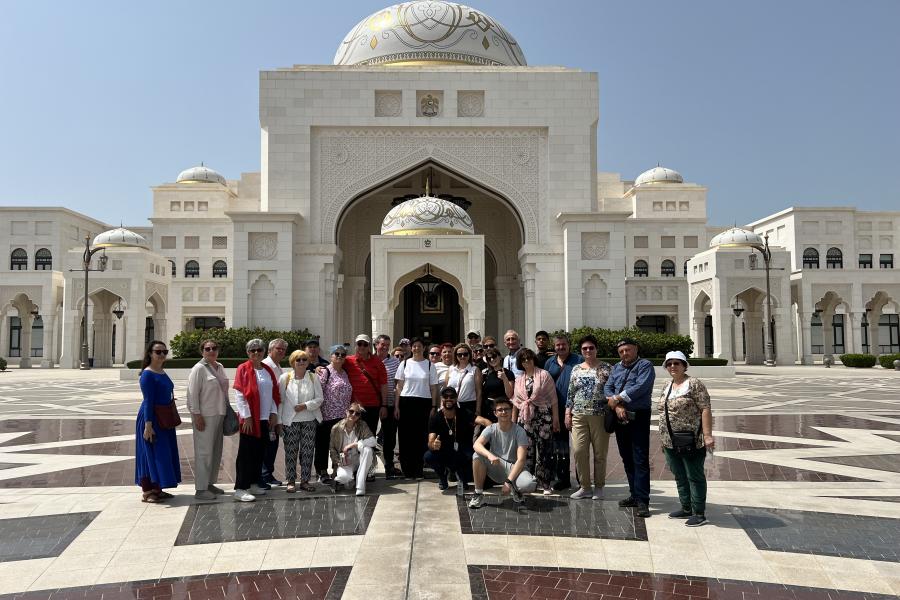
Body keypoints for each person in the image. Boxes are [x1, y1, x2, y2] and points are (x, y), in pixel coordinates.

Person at [659, 351, 714, 527]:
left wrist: (707, 435)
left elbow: (705, 408)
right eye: (669, 364)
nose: (672, 366)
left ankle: (699, 513)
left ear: (684, 366)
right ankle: (686, 507)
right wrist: (663, 440)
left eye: (677, 363)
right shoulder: (667, 385)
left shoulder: (694, 384)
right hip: (670, 440)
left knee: (694, 476)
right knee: (679, 475)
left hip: (691, 439)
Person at [604, 338, 656, 518]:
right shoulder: (616, 368)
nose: (625, 353)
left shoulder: (645, 365)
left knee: (640, 458)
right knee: (626, 457)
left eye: (628, 350)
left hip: (638, 416)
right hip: (620, 416)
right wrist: (617, 406)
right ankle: (634, 494)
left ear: (636, 349)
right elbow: (608, 387)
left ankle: (643, 500)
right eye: (621, 351)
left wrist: (617, 399)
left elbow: (641, 387)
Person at [233, 338, 281, 502]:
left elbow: (273, 394)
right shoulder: (243, 368)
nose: (256, 353)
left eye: (259, 350)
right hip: (250, 420)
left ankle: (253, 483)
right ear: (248, 353)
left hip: (264, 419)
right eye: (252, 350)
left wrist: (273, 413)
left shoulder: (267, 370)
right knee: (245, 454)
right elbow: (239, 394)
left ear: (264, 352)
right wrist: (246, 416)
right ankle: (241, 488)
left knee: (259, 453)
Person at [565, 335, 612, 500]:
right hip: (579, 415)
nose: (588, 350)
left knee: (600, 453)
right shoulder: (576, 369)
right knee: (579, 451)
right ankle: (585, 487)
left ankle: (599, 486)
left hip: (599, 415)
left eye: (591, 347)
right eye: (585, 348)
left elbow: (613, 389)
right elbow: (571, 392)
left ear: (596, 349)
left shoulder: (607, 368)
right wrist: (567, 413)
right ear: (581, 351)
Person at [469, 397, 538, 508]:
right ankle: (478, 493)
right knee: (477, 455)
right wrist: (490, 455)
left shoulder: (519, 431)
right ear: (495, 413)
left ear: (511, 411)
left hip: (515, 468)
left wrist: (508, 481)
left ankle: (515, 490)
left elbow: (521, 460)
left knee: (529, 484)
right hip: (497, 465)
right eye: (500, 410)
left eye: (506, 409)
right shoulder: (491, 428)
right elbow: (476, 445)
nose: (504, 412)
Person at [135, 340, 181, 503]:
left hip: (164, 417)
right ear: (150, 354)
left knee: (162, 453)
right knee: (149, 453)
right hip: (152, 418)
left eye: (164, 352)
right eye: (158, 352)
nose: (162, 355)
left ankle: (157, 488)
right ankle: (148, 491)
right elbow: (148, 400)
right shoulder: (147, 374)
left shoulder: (161, 371)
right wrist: (148, 425)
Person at [511, 348, 559, 494]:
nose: (527, 361)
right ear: (520, 363)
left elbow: (553, 399)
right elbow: (516, 402)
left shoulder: (544, 375)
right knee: (527, 452)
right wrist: (513, 422)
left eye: (529, 358)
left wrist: (556, 419)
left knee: (544, 451)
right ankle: (528, 482)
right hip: (525, 419)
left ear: (534, 359)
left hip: (543, 417)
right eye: (523, 359)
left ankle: (545, 483)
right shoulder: (519, 379)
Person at [186, 339, 229, 500]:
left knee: (216, 452)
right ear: (202, 351)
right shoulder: (198, 369)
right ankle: (201, 488)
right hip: (205, 416)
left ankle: (210, 483)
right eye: (207, 348)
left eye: (214, 348)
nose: (211, 351)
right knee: (204, 452)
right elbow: (192, 394)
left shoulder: (220, 367)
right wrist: (196, 415)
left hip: (220, 413)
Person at [425, 386, 489, 494]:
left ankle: (459, 473)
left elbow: (483, 421)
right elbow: (430, 441)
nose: (449, 399)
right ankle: (443, 475)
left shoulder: (464, 412)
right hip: (444, 452)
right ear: (442, 399)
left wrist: (493, 430)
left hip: (462, 452)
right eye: (446, 396)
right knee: (428, 456)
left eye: (452, 396)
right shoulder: (436, 417)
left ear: (456, 398)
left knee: (471, 456)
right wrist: (433, 445)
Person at [278, 350, 324, 493]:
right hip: (290, 421)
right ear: (293, 362)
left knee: (307, 452)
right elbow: (280, 401)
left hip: (309, 420)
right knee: (290, 452)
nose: (301, 362)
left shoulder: (313, 377)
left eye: (304, 359)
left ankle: (305, 481)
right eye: (298, 360)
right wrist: (279, 421)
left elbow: (320, 399)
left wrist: (305, 405)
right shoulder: (285, 378)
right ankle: (291, 481)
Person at [395, 338, 440, 479]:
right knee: (406, 437)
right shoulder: (404, 363)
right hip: (406, 402)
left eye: (419, 346)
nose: (416, 348)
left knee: (421, 437)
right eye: (414, 346)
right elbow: (399, 387)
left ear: (424, 348)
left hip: (424, 403)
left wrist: (434, 406)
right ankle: (407, 470)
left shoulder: (429, 365)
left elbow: (434, 388)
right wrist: (396, 406)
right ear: (411, 348)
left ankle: (418, 469)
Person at [544, 333, 581, 490]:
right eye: (558, 345)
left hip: (576, 409)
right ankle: (563, 478)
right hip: (556, 409)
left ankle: (582, 480)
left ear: (569, 345)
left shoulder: (578, 360)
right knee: (560, 446)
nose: (561, 347)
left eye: (563, 344)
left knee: (580, 446)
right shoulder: (550, 362)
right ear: (554, 347)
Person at [315, 344, 354, 483]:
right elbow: (317, 392)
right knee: (323, 445)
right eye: (337, 354)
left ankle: (337, 471)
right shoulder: (325, 371)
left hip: (342, 417)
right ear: (330, 356)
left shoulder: (345, 373)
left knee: (339, 446)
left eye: (343, 354)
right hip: (326, 416)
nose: (340, 356)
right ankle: (322, 472)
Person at [344, 334, 388, 453]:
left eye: (365, 344)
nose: (362, 347)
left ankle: (368, 463)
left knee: (369, 438)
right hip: (355, 408)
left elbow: (384, 385)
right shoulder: (348, 361)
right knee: (353, 437)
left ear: (369, 346)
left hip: (372, 406)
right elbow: (334, 366)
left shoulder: (378, 362)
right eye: (359, 344)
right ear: (356, 345)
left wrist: (384, 405)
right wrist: (319, 368)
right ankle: (355, 463)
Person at [329, 403, 376, 496]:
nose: (354, 415)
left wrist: (354, 444)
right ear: (346, 412)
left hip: (359, 459)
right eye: (351, 411)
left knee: (368, 450)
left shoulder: (362, 425)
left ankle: (360, 486)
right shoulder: (336, 428)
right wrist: (338, 462)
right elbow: (332, 449)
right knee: (344, 478)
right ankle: (352, 476)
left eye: (357, 413)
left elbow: (373, 441)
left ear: (359, 416)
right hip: (345, 461)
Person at [260, 338, 288, 488]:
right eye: (279, 348)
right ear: (270, 350)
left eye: (283, 349)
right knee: (267, 445)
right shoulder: (265, 365)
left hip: (276, 411)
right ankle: (264, 475)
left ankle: (267, 474)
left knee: (272, 444)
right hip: (268, 413)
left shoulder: (277, 366)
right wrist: (272, 413)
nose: (281, 351)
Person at [375, 334, 401, 479]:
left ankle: (389, 466)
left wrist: (396, 405)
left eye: (387, 345)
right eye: (382, 344)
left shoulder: (395, 362)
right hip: (372, 404)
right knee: (369, 436)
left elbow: (398, 384)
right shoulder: (370, 360)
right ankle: (369, 468)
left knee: (390, 438)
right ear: (376, 345)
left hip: (390, 404)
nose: (385, 347)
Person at [444, 342, 482, 415]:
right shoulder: (451, 369)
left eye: (465, 354)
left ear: (469, 355)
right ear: (456, 356)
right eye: (459, 354)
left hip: (469, 406)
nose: (462, 356)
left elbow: (479, 392)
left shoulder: (475, 370)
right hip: (452, 405)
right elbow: (446, 389)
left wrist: (478, 410)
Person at [479, 348, 514, 421]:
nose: (492, 359)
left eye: (494, 356)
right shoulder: (487, 374)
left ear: (500, 357)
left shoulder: (508, 373)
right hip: (487, 409)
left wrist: (504, 378)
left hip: (500, 408)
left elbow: (509, 394)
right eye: (489, 358)